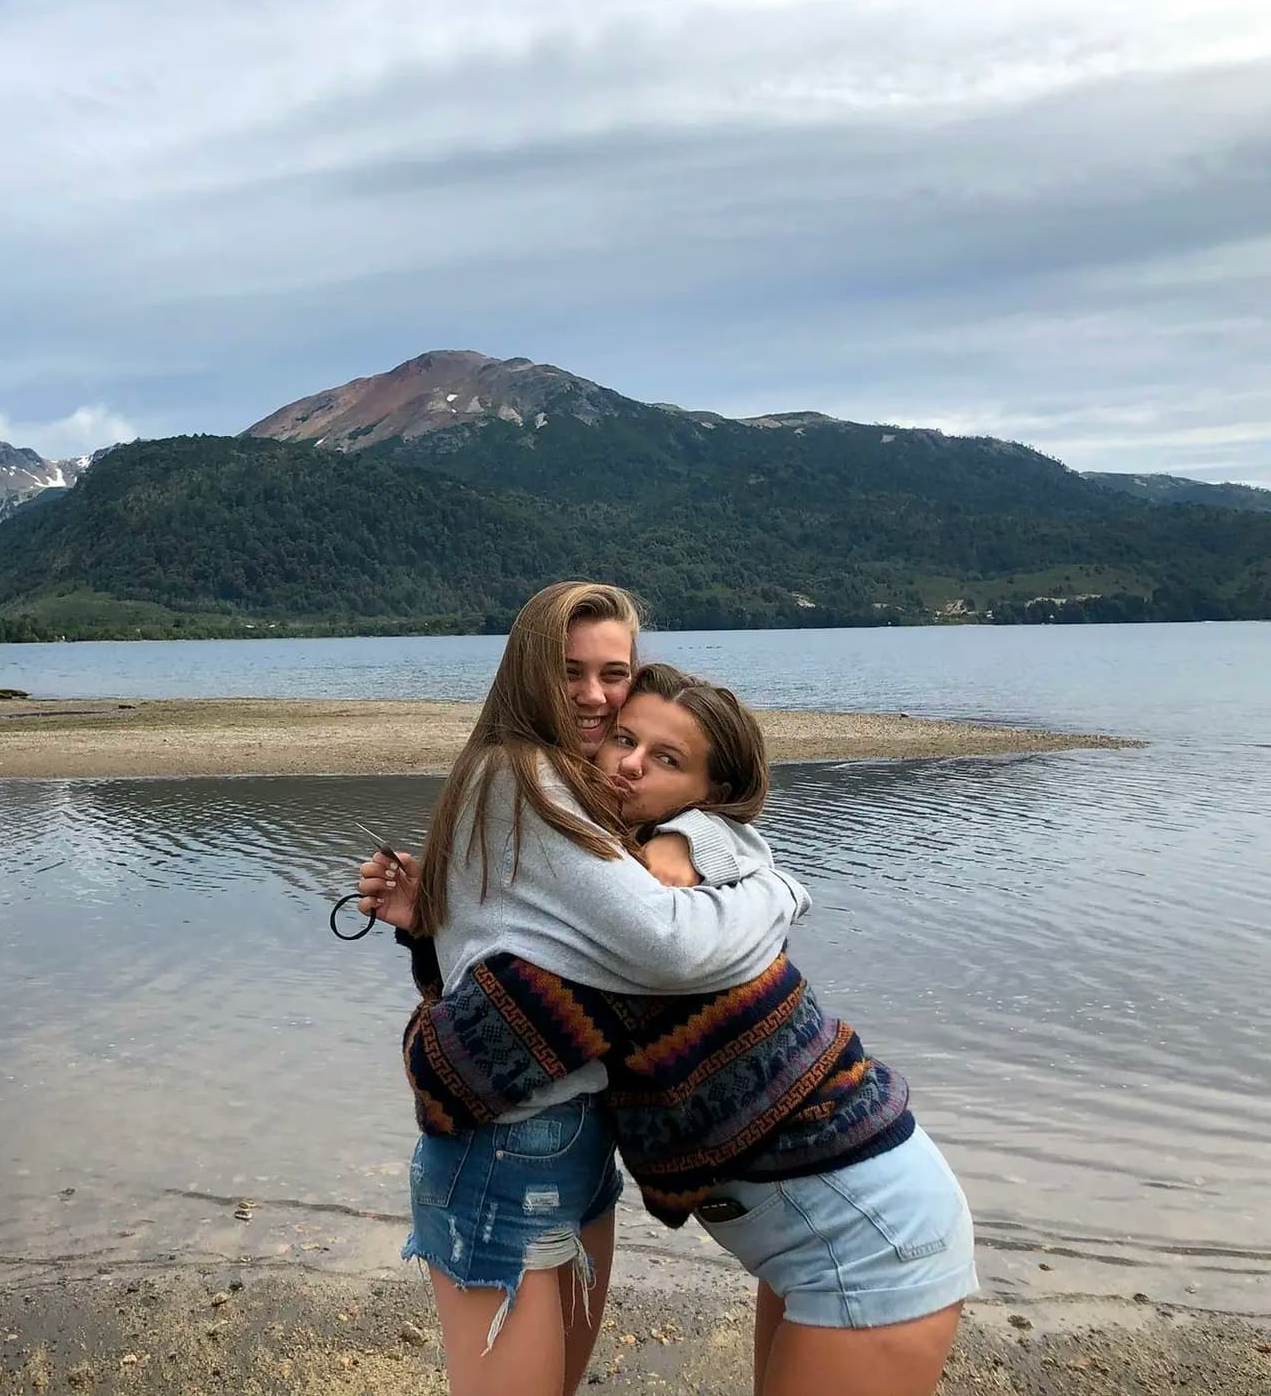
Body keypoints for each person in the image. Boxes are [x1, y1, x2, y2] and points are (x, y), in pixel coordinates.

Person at [363, 662, 977, 1396]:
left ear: (708, 795)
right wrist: (436, 928)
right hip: (834, 1223)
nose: (627, 764)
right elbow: (740, 857)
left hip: (875, 1234)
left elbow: (452, 1070)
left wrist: (453, 940)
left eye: (666, 759)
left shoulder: (645, 925)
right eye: (624, 738)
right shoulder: (664, 876)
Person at [357, 582, 813, 1396]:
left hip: (572, 1135)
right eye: (572, 671)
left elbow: (502, 942)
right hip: (507, 1149)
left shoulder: (565, 782)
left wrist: (692, 833)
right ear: (531, 667)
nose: (597, 697)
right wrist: (781, 893)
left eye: (615, 672)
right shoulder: (523, 776)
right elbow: (670, 945)